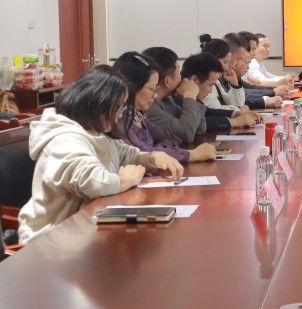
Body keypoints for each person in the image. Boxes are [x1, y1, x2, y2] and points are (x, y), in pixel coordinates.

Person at [17, 65, 184, 244]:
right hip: (52, 239)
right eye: (118, 108)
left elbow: (126, 154)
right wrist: (125, 180)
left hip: (84, 231)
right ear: (99, 103)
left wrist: (150, 158)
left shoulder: (96, 133)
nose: (120, 115)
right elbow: (93, 182)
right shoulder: (63, 139)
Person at [110, 51, 216, 164]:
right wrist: (192, 155)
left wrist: (158, 149)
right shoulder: (119, 119)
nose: (155, 95)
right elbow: (143, 154)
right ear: (132, 87)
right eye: (152, 89)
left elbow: (170, 138)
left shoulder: (138, 115)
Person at [143, 47, 208, 143]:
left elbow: (200, 128)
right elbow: (186, 135)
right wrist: (190, 95)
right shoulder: (149, 106)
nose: (183, 78)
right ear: (167, 81)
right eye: (179, 72)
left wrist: (193, 96)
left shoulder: (166, 99)